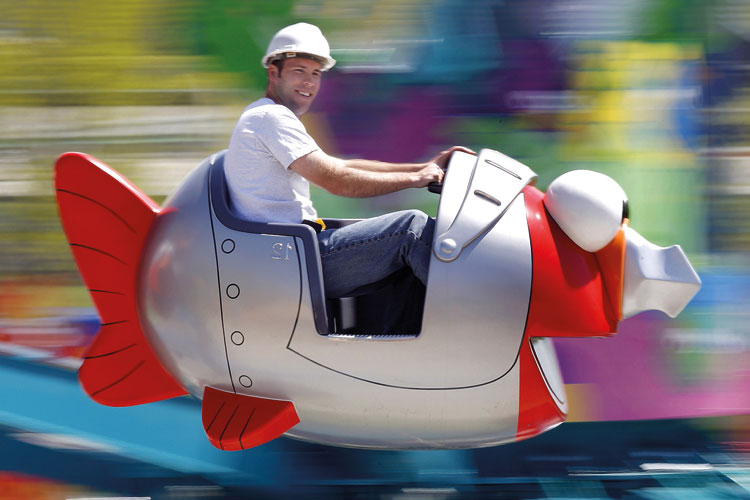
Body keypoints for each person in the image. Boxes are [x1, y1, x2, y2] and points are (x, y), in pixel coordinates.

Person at [225, 22, 472, 299]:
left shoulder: (267, 117)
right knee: (412, 230)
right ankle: (474, 312)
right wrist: (414, 180)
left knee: (401, 256)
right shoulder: (271, 118)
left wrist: (423, 167)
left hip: (292, 255)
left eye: (315, 73)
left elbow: (340, 166)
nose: (309, 82)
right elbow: (336, 180)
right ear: (274, 73)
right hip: (293, 261)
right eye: (299, 71)